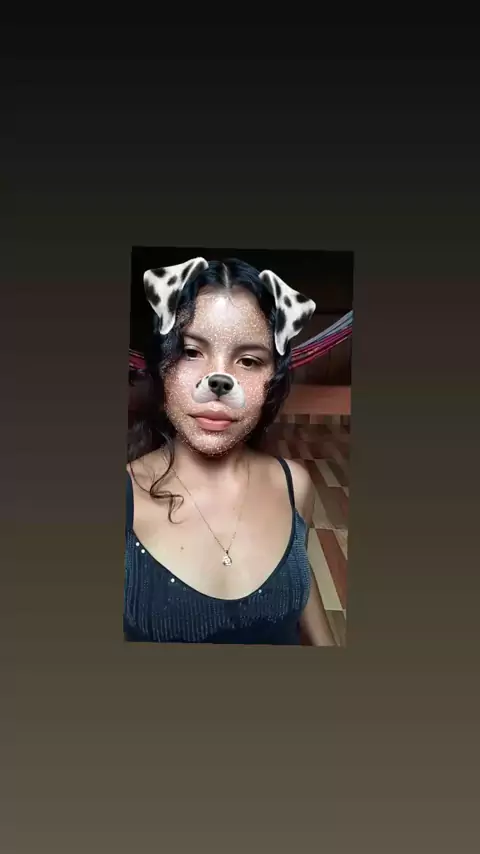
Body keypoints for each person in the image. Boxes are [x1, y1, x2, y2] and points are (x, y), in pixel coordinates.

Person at [125, 256, 335, 645]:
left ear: (273, 376)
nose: (218, 380)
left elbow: (302, 588)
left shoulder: (296, 486)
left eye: (249, 360)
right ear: (161, 364)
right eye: (191, 352)